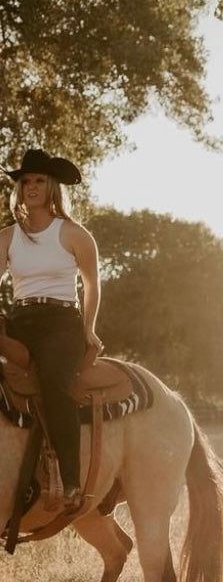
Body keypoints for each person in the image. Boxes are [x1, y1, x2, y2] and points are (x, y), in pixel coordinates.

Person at [0, 149, 103, 507]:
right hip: (20, 319)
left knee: (55, 385)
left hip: (60, 322)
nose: (31, 186)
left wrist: (88, 329)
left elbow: (91, 285)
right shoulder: (8, 236)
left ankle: (71, 480)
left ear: (52, 187)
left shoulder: (73, 234)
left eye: (39, 180)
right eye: (26, 181)